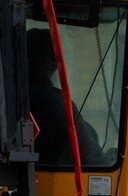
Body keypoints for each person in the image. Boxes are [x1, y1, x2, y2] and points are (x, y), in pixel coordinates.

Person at [26, 29, 104, 166]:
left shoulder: (7, 101)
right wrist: (108, 159)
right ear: (54, 63)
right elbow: (89, 156)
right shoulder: (55, 103)